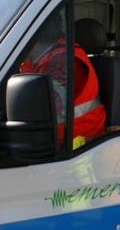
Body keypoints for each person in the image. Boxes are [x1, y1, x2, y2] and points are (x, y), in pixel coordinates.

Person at [20, 12, 106, 149]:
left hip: (78, 147)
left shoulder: (62, 61)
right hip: (59, 144)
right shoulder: (41, 59)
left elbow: (39, 113)